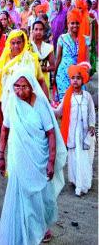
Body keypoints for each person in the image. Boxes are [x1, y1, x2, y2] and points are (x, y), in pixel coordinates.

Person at [0, 69, 67, 245]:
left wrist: (51, 162)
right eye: (17, 87)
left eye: (24, 87)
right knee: (21, 196)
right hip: (18, 157)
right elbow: (5, 129)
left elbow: (51, 133)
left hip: (39, 158)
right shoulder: (12, 102)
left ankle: (41, 228)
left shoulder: (41, 104)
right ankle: (25, 231)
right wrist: (1, 156)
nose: (20, 91)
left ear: (31, 86)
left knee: (40, 196)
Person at [54, 64, 96, 196]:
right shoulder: (67, 97)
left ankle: (83, 184)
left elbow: (91, 112)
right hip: (72, 132)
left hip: (85, 134)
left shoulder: (87, 96)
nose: (75, 80)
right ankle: (75, 180)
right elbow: (58, 111)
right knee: (73, 157)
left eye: (78, 78)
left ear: (83, 80)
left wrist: (92, 125)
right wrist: (47, 107)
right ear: (70, 80)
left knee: (84, 158)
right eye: (73, 78)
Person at [0, 29, 48, 110]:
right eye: (13, 43)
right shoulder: (5, 59)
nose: (16, 46)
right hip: (9, 102)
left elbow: (41, 81)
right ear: (9, 44)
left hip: (29, 101)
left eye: (19, 42)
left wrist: (46, 102)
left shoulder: (31, 59)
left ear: (24, 42)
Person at [55, 9, 89, 100]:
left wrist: (86, 73)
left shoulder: (85, 39)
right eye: (72, 23)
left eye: (77, 23)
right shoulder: (62, 38)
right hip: (63, 75)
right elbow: (58, 58)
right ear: (68, 24)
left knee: (78, 101)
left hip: (78, 76)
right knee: (65, 102)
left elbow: (87, 60)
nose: (75, 25)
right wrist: (54, 76)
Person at [31, 21, 55, 93]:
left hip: (44, 78)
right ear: (32, 31)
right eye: (36, 29)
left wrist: (44, 69)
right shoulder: (28, 46)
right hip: (31, 78)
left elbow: (53, 66)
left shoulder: (48, 47)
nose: (38, 32)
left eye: (41, 29)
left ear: (44, 31)